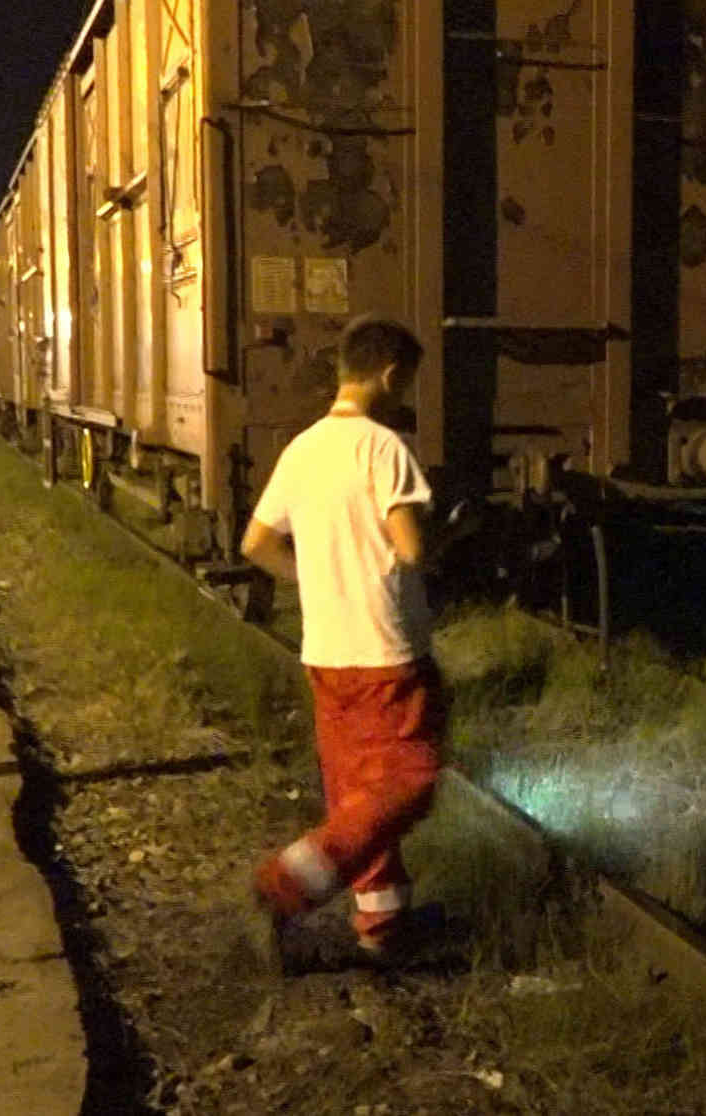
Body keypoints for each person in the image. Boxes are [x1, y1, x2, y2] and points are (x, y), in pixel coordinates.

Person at [239, 316, 456, 970]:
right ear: (390, 375)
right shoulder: (384, 447)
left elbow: (256, 544)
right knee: (412, 778)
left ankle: (381, 927)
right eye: (407, 380)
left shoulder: (301, 448)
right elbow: (410, 547)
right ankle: (284, 885)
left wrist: (317, 579)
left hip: (325, 652)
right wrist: (447, 537)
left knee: (359, 792)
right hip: (384, 650)